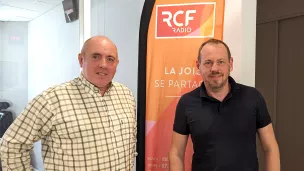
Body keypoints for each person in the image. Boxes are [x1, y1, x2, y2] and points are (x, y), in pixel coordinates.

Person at [0, 36, 137, 170]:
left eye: (110, 59)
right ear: (81, 60)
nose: (103, 64)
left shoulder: (126, 95)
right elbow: (12, 145)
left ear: (116, 64)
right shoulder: (52, 99)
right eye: (96, 56)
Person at [169, 38, 280, 171]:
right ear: (198, 66)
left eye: (220, 62)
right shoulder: (186, 103)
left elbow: (271, 147)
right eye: (208, 63)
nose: (214, 68)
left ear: (230, 64)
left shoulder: (253, 97)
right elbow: (176, 153)